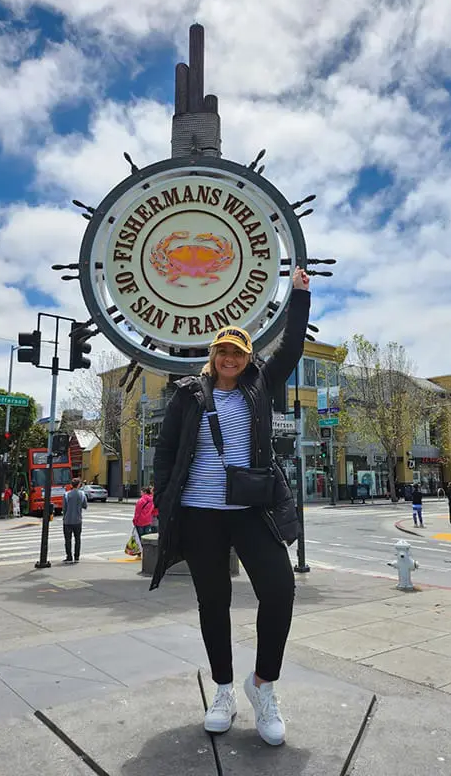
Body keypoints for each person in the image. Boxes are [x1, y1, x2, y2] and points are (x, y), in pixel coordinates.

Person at [150, 267, 310, 747]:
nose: (229, 358)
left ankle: (262, 686)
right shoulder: (186, 394)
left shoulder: (260, 386)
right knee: (213, 601)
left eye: (238, 352)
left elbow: (293, 347)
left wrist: (300, 296)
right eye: (222, 350)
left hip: (249, 508)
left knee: (279, 590)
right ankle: (223, 690)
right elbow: (165, 451)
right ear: (212, 355)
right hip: (199, 512)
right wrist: (163, 500)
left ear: (246, 358)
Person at [62, 477, 87, 563]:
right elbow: (85, 506)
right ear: (79, 485)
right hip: (77, 520)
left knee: (68, 540)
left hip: (67, 521)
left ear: (71, 485)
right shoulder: (82, 494)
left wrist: (64, 517)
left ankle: (69, 557)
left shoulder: (66, 495)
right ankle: (76, 557)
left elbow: (64, 509)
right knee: (77, 539)